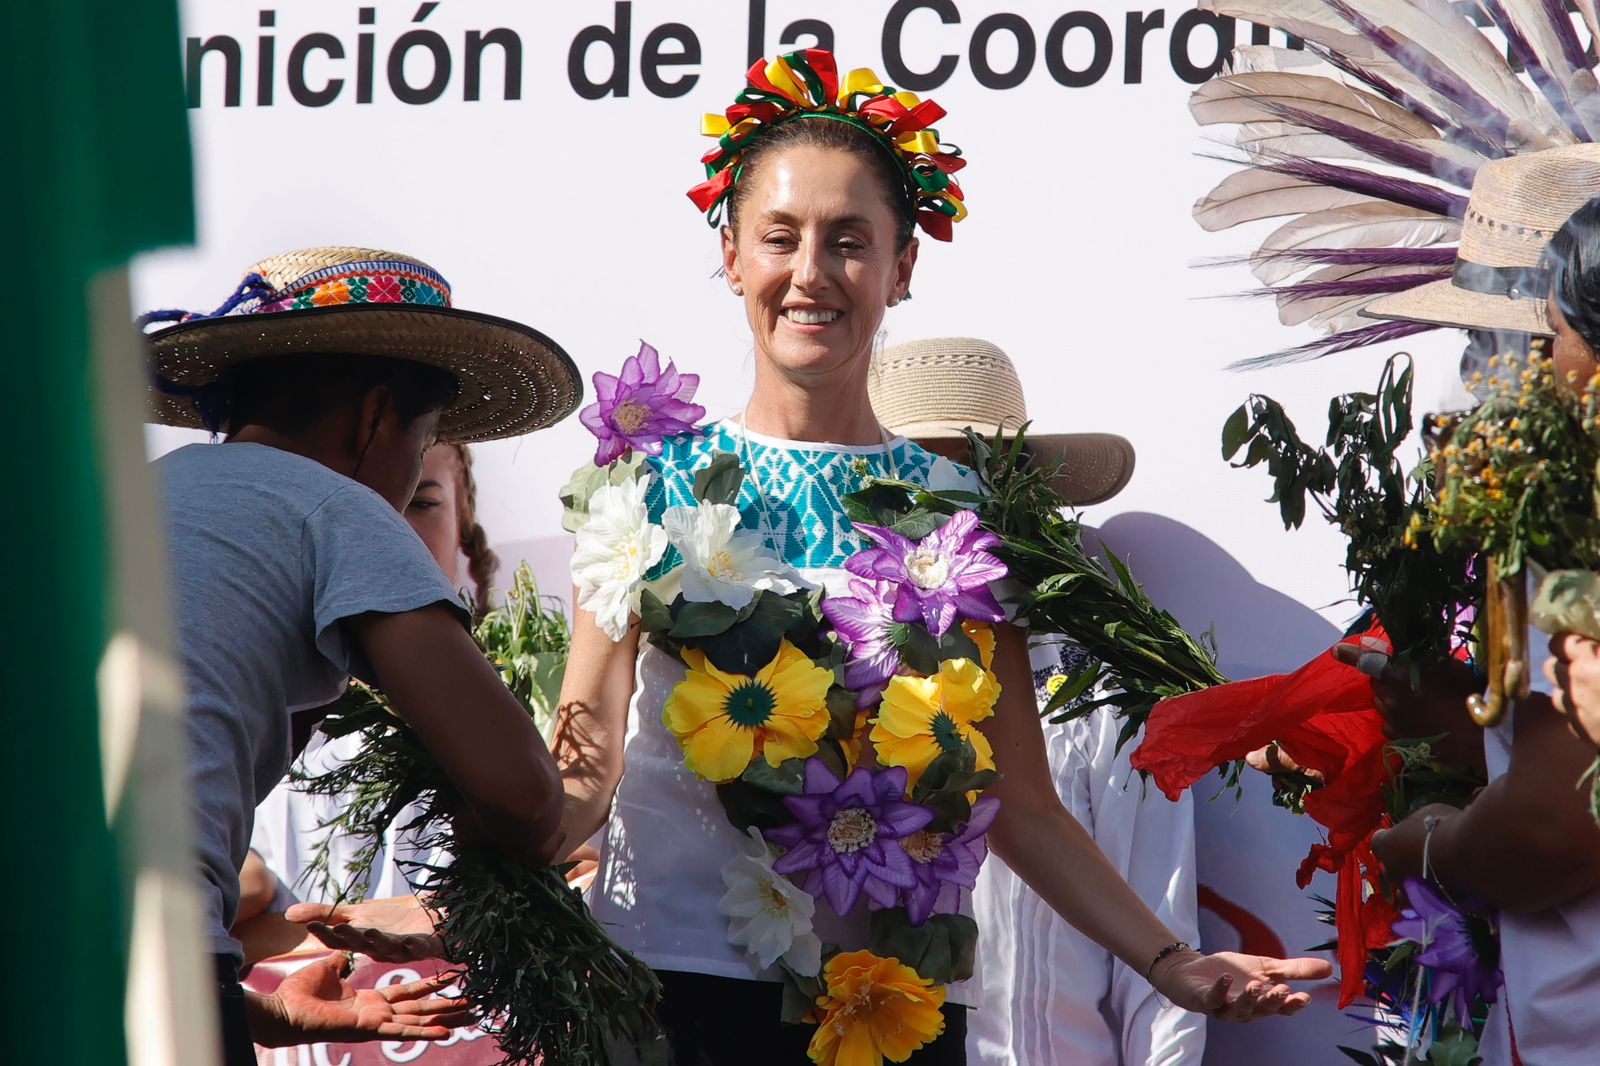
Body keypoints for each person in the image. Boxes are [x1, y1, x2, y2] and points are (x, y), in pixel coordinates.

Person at [551, 49, 1330, 1066]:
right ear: (732, 255)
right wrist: (478, 871)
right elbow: (585, 761)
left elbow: (1023, 803)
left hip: (896, 1005)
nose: (810, 272)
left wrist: (1169, 962)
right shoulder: (647, 484)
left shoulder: (953, 510)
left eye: (849, 242)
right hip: (672, 984)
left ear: (901, 268)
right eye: (780, 237)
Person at [141, 245, 581, 1063]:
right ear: (375, 418)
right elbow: (523, 794)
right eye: (424, 441)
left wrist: (273, 1014)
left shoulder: (138, 495)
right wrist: (486, 871)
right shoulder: (336, 507)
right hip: (148, 970)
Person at [868, 337, 1206, 1065]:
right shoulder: (824, 677)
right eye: (916, 477)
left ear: (1018, 491)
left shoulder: (1100, 687)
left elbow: (1163, 922)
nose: (943, 506)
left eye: (966, 473)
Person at [1356, 153, 1600, 1066]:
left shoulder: (1575, 517)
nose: (1476, 375)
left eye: (1505, 337)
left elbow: (1552, 829)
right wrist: (1472, 729)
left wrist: (1429, 846)